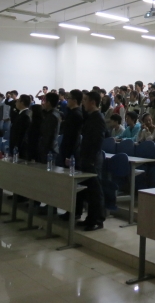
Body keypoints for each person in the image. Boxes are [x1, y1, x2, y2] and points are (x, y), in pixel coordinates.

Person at [72, 91, 106, 231]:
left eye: (85, 100)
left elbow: (97, 141)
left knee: (95, 191)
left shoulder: (98, 118)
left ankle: (97, 220)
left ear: (93, 102)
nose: (83, 102)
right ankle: (90, 218)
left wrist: (91, 159)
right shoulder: (91, 116)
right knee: (89, 191)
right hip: (86, 157)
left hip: (93, 159)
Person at [60, 90, 84, 164]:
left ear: (74, 101)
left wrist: (69, 154)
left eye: (69, 98)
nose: (67, 100)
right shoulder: (71, 112)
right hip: (67, 147)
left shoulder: (76, 114)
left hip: (71, 150)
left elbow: (74, 136)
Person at [39, 93, 61, 164]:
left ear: (48, 103)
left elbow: (48, 135)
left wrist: (43, 149)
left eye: (44, 101)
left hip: (48, 150)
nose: (43, 103)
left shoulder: (51, 116)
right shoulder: (55, 113)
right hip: (51, 148)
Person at [10, 95, 31, 160]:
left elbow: (22, 134)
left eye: (18, 101)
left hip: (19, 148)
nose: (16, 103)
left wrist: (17, 148)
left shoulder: (25, 116)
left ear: (22, 103)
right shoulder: (21, 113)